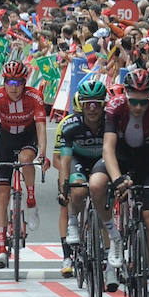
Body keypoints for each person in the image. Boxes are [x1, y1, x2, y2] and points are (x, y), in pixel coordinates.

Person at [102, 68, 149, 297]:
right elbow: (108, 149)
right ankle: (115, 239)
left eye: (143, 102)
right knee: (104, 187)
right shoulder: (114, 106)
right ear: (125, 94)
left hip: (145, 161)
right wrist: (116, 178)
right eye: (133, 101)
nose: (138, 107)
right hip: (120, 159)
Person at [0, 59, 49, 268]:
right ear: (4, 82)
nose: (13, 87)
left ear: (24, 82)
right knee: (2, 194)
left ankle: (31, 200)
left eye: (18, 83)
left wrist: (43, 154)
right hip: (6, 138)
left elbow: (41, 127)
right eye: (9, 82)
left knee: (25, 159)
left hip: (28, 136)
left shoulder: (34, 96)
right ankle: (2, 249)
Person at [58, 77, 113, 283]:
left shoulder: (110, 122)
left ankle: (109, 252)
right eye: (87, 104)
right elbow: (65, 160)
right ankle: (73, 221)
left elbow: (117, 154)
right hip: (78, 160)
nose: (92, 109)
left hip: (102, 160)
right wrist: (64, 187)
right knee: (79, 190)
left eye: (96, 104)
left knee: (104, 204)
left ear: (103, 105)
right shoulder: (70, 125)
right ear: (81, 104)